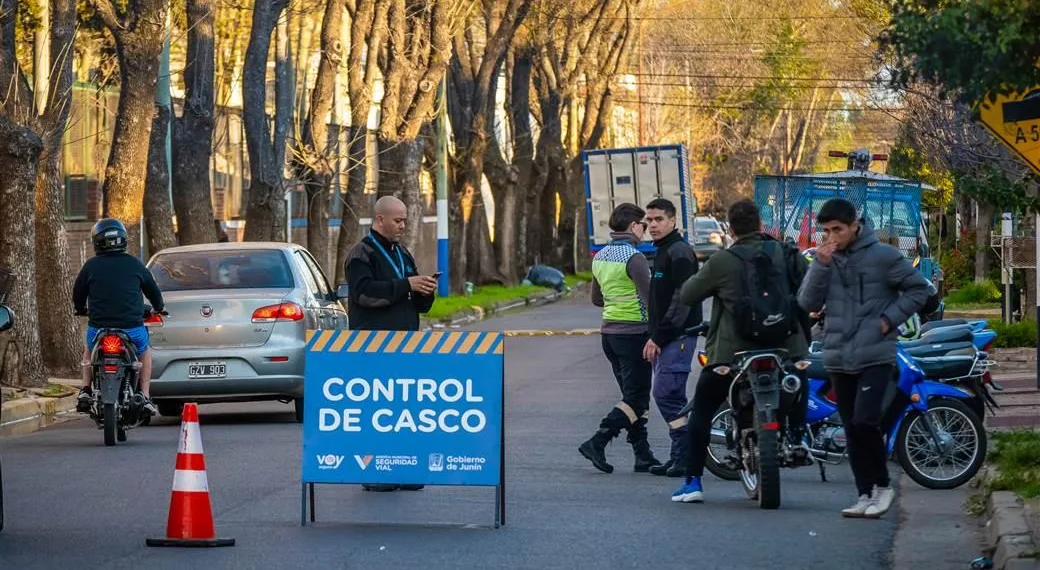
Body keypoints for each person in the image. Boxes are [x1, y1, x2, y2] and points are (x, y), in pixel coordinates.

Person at [797, 198, 930, 519]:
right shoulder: (824, 259)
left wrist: (887, 320)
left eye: (837, 230)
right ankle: (864, 494)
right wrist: (820, 266)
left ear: (854, 225)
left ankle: (883, 486)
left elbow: (920, 290)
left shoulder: (884, 256)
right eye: (826, 231)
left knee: (865, 422)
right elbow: (807, 302)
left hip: (875, 353)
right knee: (851, 428)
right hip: (837, 354)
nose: (832, 237)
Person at [671, 199, 811, 503]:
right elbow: (810, 288)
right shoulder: (786, 253)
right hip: (786, 346)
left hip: (732, 353)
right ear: (760, 224)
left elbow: (689, 294)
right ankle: (799, 437)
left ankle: (693, 482)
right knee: (798, 381)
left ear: (731, 230)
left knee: (703, 409)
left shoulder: (722, 261)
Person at [345, 195, 438, 491]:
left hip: (406, 346)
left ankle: (404, 468)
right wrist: (405, 285)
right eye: (397, 220)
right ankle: (374, 473)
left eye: (405, 221)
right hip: (373, 347)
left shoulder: (403, 253)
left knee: (404, 413)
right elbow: (364, 294)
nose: (402, 226)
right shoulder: (361, 253)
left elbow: (412, 299)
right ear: (380, 219)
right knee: (377, 413)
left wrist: (425, 291)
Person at [579, 203, 662, 474]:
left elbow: (596, 299)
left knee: (632, 396)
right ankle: (598, 441)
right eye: (644, 225)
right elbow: (650, 300)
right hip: (634, 334)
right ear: (633, 226)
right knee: (636, 398)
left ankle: (642, 454)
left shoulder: (600, 256)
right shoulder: (634, 258)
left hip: (609, 336)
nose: (646, 230)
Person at [73, 218, 164, 416]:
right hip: (132, 327)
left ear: (97, 242)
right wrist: (158, 307)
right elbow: (153, 290)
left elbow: (78, 292)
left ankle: (86, 389)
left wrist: (80, 308)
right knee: (144, 351)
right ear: (123, 239)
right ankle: (145, 395)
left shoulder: (90, 266)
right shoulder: (135, 264)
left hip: (99, 328)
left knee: (89, 350)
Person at [642, 198, 701, 477]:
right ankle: (680, 455)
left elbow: (682, 301)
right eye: (649, 220)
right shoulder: (664, 250)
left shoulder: (679, 252)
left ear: (673, 221)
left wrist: (659, 337)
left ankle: (686, 454)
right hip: (665, 337)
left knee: (665, 393)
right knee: (673, 395)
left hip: (678, 336)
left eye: (659, 219)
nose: (653, 225)